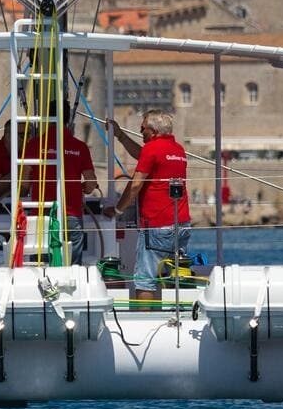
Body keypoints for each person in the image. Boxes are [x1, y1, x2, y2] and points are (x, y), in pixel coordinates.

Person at [108, 110, 190, 303]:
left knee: (144, 280)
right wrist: (120, 135)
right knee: (173, 275)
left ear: (152, 131)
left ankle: (146, 322)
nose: (140, 131)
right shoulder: (177, 149)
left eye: (142, 128)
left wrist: (118, 210)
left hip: (157, 225)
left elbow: (135, 184)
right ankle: (174, 318)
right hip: (181, 224)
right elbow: (143, 155)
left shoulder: (152, 149)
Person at [20, 105, 102, 260]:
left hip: (41, 213)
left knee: (41, 265)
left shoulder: (34, 144)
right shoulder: (80, 147)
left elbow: (24, 182)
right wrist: (82, 187)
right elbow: (91, 184)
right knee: (72, 265)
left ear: (47, 118)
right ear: (68, 119)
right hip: (71, 214)